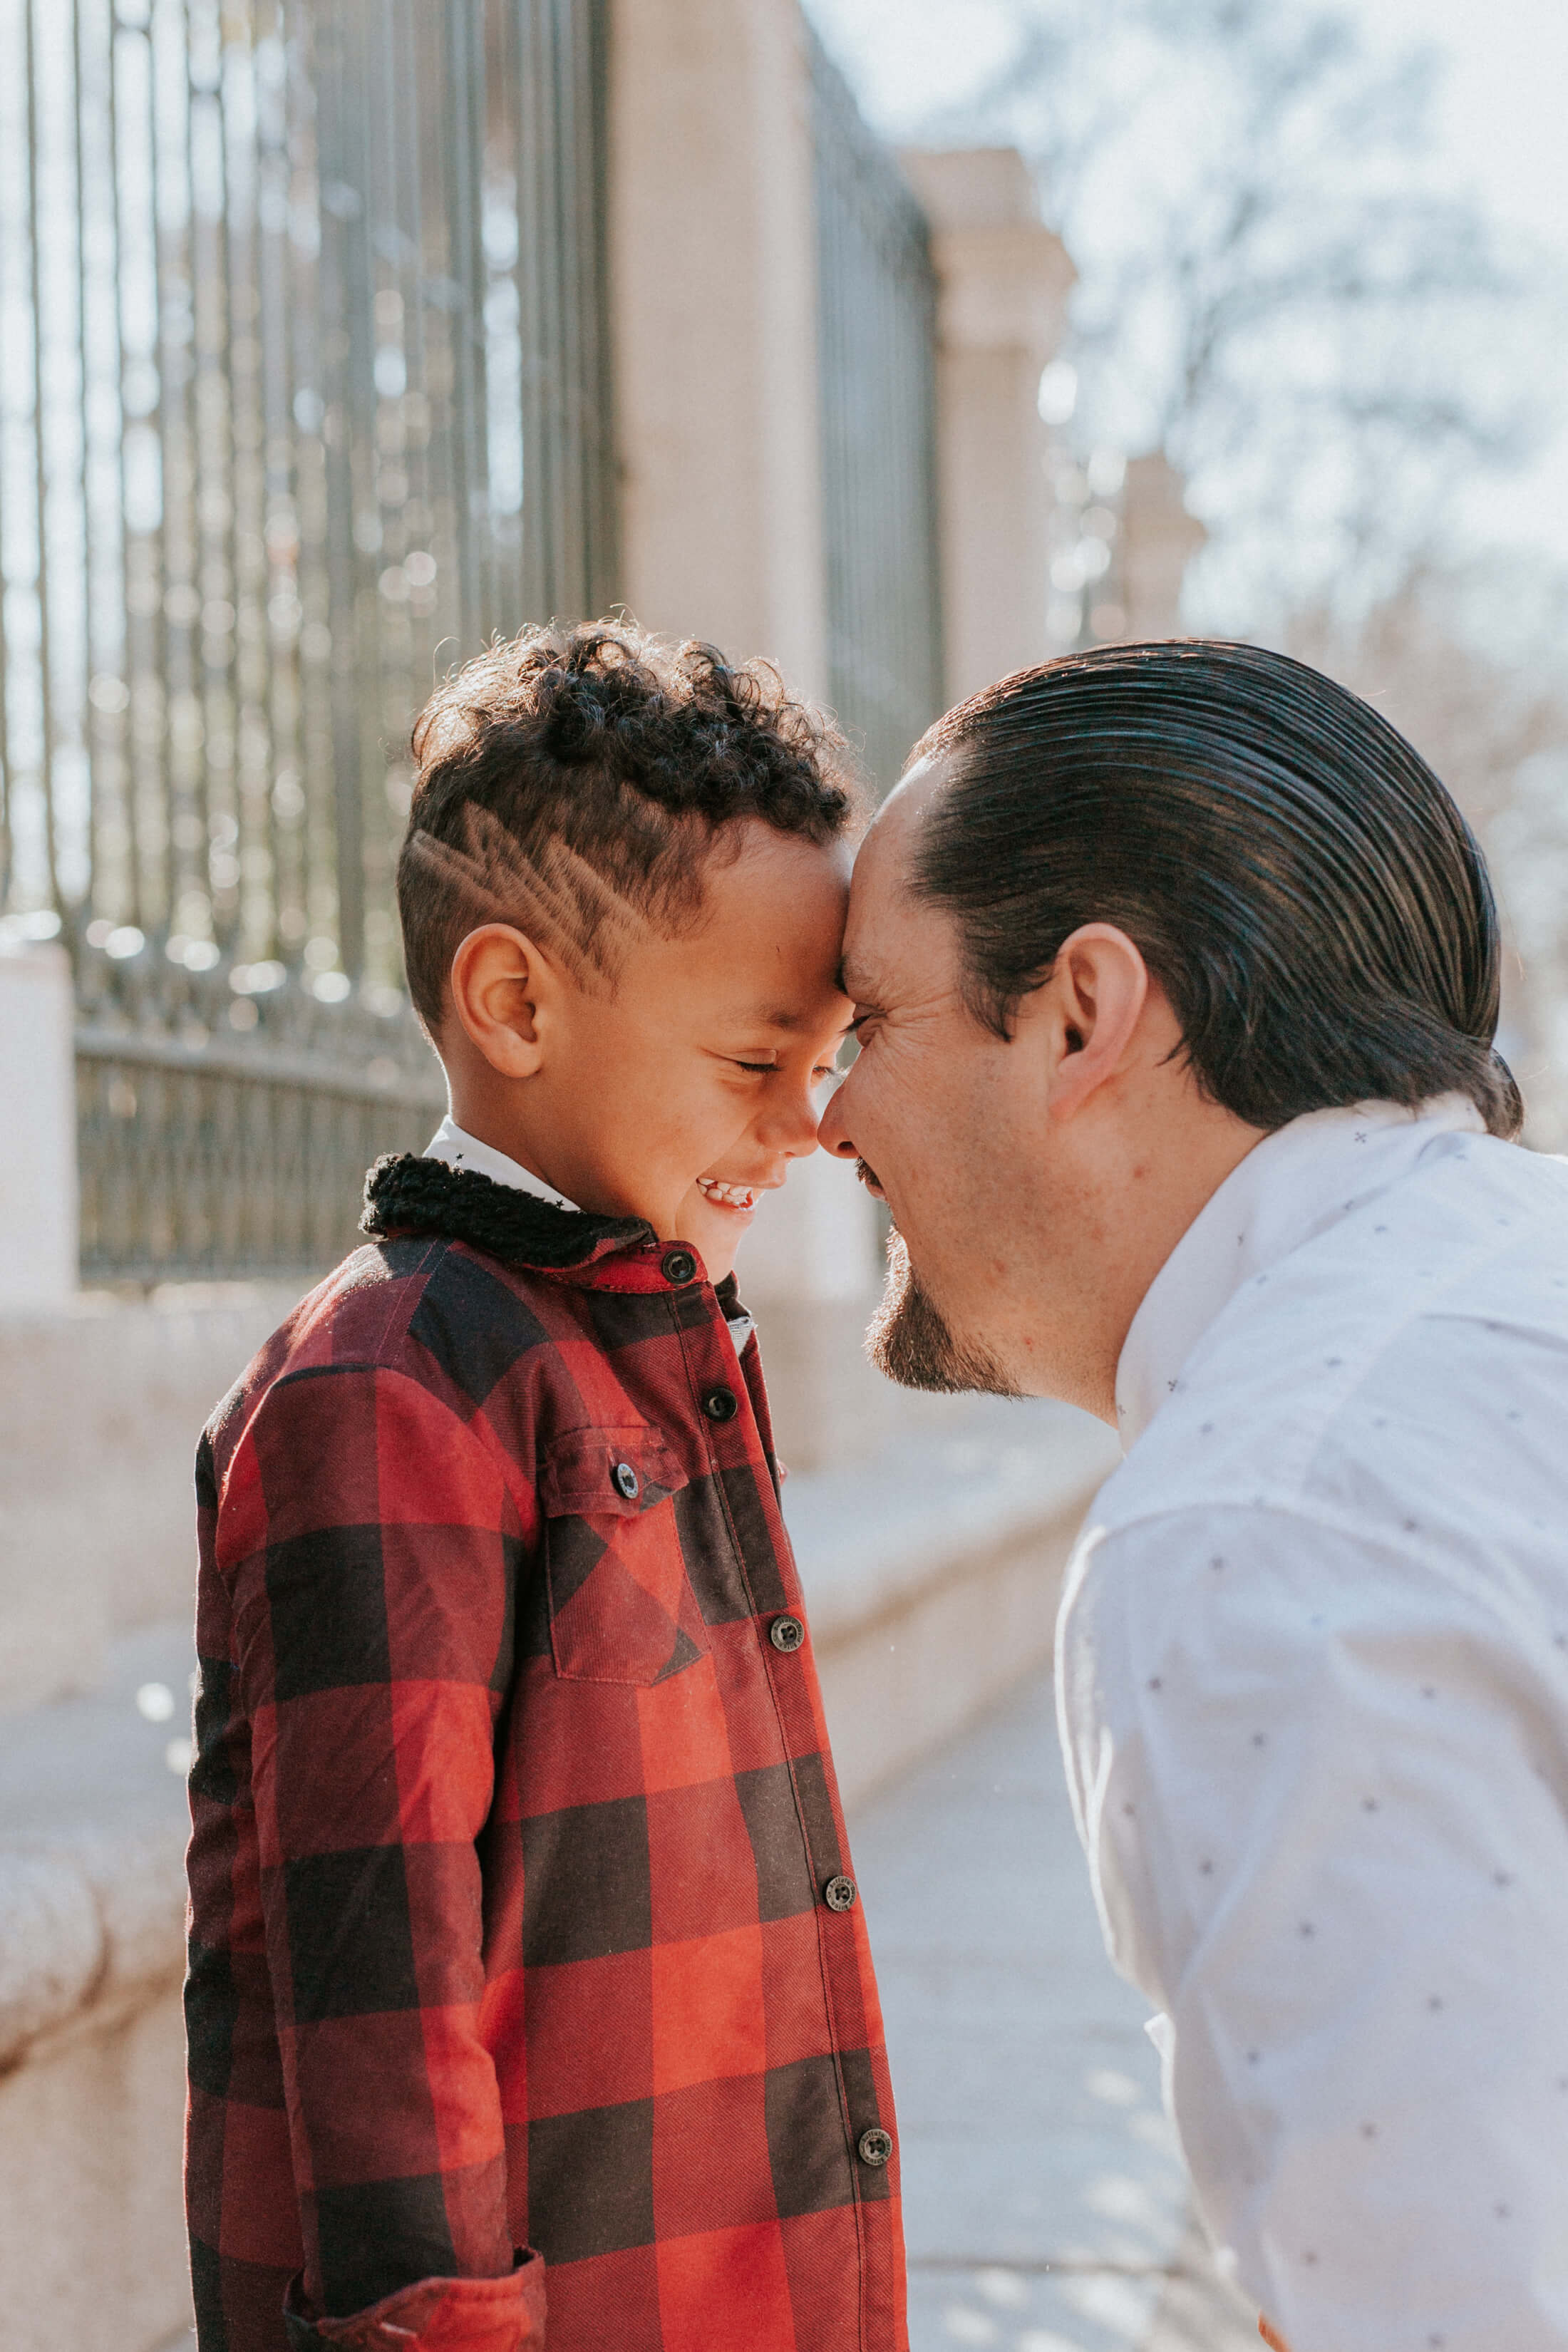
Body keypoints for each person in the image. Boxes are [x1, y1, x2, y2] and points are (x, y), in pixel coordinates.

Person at [820, 639, 1568, 2352]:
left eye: (869, 1020)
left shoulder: (1256, 1525)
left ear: (1083, 1011)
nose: (826, 1119)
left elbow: (1451, 2315)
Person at [185, 623, 907, 2352]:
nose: (808, 1127)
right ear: (515, 1002)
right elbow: (379, 1965)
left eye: (820, 1065)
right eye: (754, 1063)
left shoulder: (653, 1338)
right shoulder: (391, 1385)